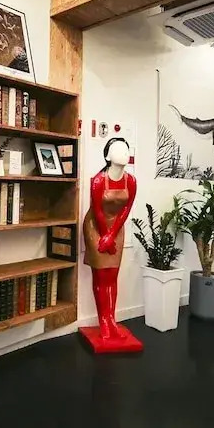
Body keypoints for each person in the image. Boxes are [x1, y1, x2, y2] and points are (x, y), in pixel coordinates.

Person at [81, 137, 141, 350]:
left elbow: (126, 209)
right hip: (96, 227)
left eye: (126, 148)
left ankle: (112, 319)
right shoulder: (98, 181)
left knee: (112, 276)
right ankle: (103, 321)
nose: (124, 152)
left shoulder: (131, 181)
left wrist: (112, 234)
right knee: (101, 275)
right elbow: (97, 210)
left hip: (116, 227)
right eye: (118, 149)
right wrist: (104, 236)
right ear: (107, 156)